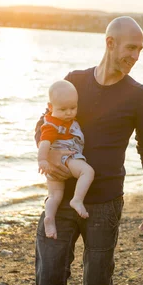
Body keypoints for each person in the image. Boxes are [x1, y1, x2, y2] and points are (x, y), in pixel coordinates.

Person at [34, 16, 143, 285]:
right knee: (50, 279)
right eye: (131, 48)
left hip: (105, 204)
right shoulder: (75, 80)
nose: (136, 56)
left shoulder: (138, 94)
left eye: (140, 49)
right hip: (63, 198)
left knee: (97, 282)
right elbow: (45, 124)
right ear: (109, 43)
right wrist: (50, 158)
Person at [37, 80, 94, 240]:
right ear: (50, 107)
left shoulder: (63, 120)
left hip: (53, 168)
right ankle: (77, 200)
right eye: (63, 109)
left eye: (73, 108)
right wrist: (42, 159)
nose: (69, 113)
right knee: (87, 171)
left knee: (54, 195)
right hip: (66, 157)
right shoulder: (52, 125)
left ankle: (49, 217)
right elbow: (44, 143)